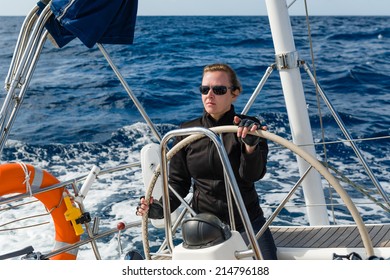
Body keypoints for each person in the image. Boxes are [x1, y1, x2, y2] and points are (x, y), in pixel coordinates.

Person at [136, 63, 277, 260]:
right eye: (205, 89)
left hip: (247, 223)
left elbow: (252, 175)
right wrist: (159, 209)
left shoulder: (249, 128)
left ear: (234, 93)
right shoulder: (187, 132)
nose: (209, 95)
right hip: (204, 227)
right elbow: (179, 183)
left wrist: (250, 147)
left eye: (218, 90)